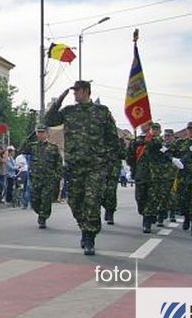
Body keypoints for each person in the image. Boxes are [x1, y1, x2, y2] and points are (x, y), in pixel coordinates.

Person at [45, 80, 121, 256]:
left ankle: (89, 237)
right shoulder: (69, 111)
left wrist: (108, 162)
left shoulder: (102, 112)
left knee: (92, 201)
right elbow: (48, 120)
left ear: (86, 91)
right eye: (73, 91)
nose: (74, 94)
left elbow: (112, 139)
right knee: (74, 201)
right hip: (75, 166)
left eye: (77, 91)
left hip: (96, 166)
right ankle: (84, 226)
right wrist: (59, 101)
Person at [22, 124, 63, 229]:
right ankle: (39, 212)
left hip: (48, 178)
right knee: (34, 200)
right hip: (36, 178)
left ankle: (43, 218)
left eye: (42, 132)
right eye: (38, 133)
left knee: (46, 200)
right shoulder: (33, 146)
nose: (40, 135)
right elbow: (21, 148)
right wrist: (30, 136)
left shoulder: (53, 148)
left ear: (47, 134)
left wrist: (57, 176)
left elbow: (58, 163)